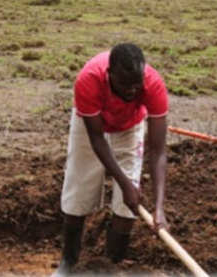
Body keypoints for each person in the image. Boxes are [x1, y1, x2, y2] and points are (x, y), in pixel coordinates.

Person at [53, 43, 169, 275]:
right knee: (78, 191)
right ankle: (68, 262)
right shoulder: (89, 80)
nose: (131, 91)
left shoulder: (153, 85)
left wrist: (158, 208)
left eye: (136, 86)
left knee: (127, 208)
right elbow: (97, 140)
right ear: (109, 74)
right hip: (91, 129)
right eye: (124, 85)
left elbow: (158, 151)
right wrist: (124, 184)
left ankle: (110, 266)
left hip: (129, 128)